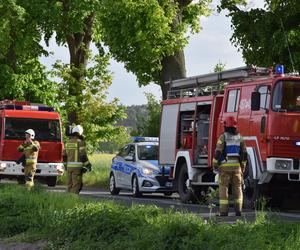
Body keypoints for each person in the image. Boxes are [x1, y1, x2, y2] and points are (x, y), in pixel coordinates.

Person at [213, 116, 247, 216]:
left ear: (225, 126)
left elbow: (218, 152)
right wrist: (243, 166)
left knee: (224, 188)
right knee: (238, 188)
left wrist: (215, 164)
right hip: (237, 168)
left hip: (224, 167)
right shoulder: (240, 137)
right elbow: (244, 154)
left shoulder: (223, 137)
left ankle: (224, 212)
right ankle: (238, 211)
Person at [63, 125, 92, 194]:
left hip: (69, 167)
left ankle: (66, 200)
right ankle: (73, 200)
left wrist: (65, 166)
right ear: (80, 133)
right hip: (77, 168)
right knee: (76, 185)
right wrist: (88, 165)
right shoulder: (80, 142)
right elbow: (83, 155)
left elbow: (64, 156)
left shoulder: (68, 142)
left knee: (69, 185)